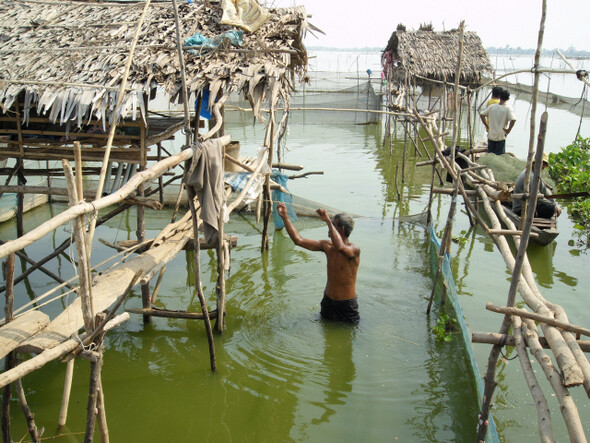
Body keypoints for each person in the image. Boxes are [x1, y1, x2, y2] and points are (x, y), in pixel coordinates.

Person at [276, 202, 361, 324]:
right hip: (328, 302)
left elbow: (341, 247)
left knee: (346, 340)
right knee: (327, 339)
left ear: (341, 229)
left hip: (346, 305)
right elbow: (298, 240)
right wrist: (285, 217)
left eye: (333, 225)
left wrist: (327, 221)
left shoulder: (354, 250)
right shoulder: (327, 246)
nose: (329, 227)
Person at [512, 152, 562, 218]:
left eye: (544, 164)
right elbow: (537, 196)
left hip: (531, 205)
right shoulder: (530, 177)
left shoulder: (536, 175)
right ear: (534, 163)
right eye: (541, 163)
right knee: (551, 208)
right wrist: (554, 206)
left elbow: (544, 190)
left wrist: (553, 202)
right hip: (521, 209)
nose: (543, 166)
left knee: (551, 206)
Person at [479, 88, 516, 155]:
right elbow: (513, 120)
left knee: (490, 155)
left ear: (500, 97)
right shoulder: (508, 109)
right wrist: (508, 130)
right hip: (500, 137)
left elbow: (482, 115)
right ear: (508, 99)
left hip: (491, 135)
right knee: (499, 156)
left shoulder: (492, 107)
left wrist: (487, 125)